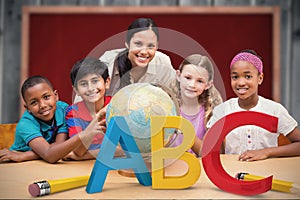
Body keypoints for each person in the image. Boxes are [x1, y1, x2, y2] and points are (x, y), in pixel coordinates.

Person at [207, 49, 300, 161]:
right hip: (232, 174)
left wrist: (267, 152)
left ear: (260, 78)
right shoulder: (222, 110)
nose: (241, 83)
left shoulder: (275, 110)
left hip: (267, 173)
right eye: (235, 77)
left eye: (248, 76)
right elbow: (212, 151)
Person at [0, 75, 102, 163]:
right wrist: (83, 135)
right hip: (20, 162)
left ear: (56, 96)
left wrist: (26, 155)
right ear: (28, 108)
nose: (43, 105)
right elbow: (50, 155)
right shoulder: (25, 124)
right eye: (34, 102)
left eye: (46, 97)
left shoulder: (63, 109)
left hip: (42, 159)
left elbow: (59, 146)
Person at [99, 17, 176, 96]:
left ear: (157, 46)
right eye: (138, 44)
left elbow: (174, 97)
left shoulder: (163, 63)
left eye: (150, 46)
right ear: (127, 43)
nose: (144, 52)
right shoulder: (108, 61)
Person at [65, 57, 123, 160]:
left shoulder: (118, 104)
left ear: (107, 82)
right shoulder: (73, 112)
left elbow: (124, 150)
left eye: (95, 81)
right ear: (76, 90)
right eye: (83, 84)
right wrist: (96, 120)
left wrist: (84, 156)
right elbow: (78, 151)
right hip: (81, 169)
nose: (90, 88)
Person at [171, 54, 223, 156]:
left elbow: (207, 153)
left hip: (198, 168)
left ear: (208, 85)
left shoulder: (210, 111)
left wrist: (185, 130)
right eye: (188, 78)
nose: (192, 85)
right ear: (178, 75)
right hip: (170, 167)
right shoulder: (167, 106)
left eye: (199, 81)